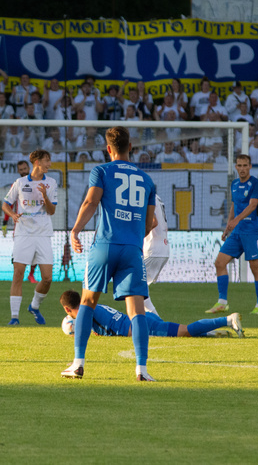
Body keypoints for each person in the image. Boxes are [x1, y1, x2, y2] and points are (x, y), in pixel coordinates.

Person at [64, 126, 157, 382]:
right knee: (137, 311)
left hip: (105, 245)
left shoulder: (101, 171)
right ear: (131, 148)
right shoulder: (147, 180)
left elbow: (91, 202)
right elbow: (149, 225)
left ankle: (78, 364)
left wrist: (75, 231)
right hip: (133, 250)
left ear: (108, 149)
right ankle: (142, 369)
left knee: (87, 302)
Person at [2, 149, 58, 325]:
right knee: (18, 273)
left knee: (47, 277)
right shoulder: (19, 183)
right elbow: (5, 204)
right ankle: (14, 317)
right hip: (23, 233)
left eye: (50, 160)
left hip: (43, 234)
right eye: (46, 160)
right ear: (37, 162)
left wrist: (44, 196)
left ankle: (34, 306)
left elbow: (52, 211)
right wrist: (12, 214)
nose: (49, 164)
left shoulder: (51, 182)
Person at [206, 154, 258, 315]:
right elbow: (235, 205)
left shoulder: (256, 184)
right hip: (237, 232)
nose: (242, 169)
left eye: (245, 165)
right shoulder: (234, 184)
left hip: (251, 232)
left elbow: (253, 205)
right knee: (219, 263)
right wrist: (229, 225)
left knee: (255, 268)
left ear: (250, 166)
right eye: (239, 165)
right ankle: (222, 302)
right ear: (236, 167)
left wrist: (237, 220)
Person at [60, 290, 243, 339]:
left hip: (143, 326)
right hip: (142, 318)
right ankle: (209, 333)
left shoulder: (85, 313)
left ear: (68, 310)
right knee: (181, 334)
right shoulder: (91, 305)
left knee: (184, 331)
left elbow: (81, 331)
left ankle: (227, 319)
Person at [142, 194, 168, 317]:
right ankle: (148, 323)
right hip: (161, 247)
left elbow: (153, 221)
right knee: (139, 289)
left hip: (153, 249)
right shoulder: (156, 196)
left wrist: (135, 237)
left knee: (134, 288)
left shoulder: (142, 193)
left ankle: (159, 325)